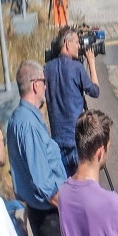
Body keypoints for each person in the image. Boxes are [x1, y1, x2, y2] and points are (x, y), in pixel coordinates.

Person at [6, 60, 82, 236]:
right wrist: (71, 208)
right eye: (45, 83)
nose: (47, 89)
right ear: (36, 84)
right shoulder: (27, 124)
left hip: (42, 214)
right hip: (49, 216)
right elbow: (43, 183)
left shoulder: (20, 118)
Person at [44, 27, 100, 176]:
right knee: (83, 186)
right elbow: (95, 91)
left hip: (57, 141)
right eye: (76, 42)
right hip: (76, 141)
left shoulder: (46, 69)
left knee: (66, 188)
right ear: (68, 44)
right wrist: (92, 63)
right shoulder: (77, 68)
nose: (79, 46)